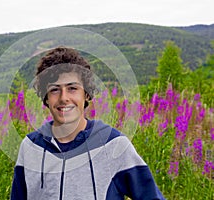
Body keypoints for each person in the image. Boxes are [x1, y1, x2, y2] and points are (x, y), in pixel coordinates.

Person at [10, 46, 165, 199]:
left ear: (87, 95)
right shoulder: (30, 147)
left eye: (72, 88)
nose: (64, 98)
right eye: (54, 90)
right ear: (45, 97)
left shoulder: (113, 144)